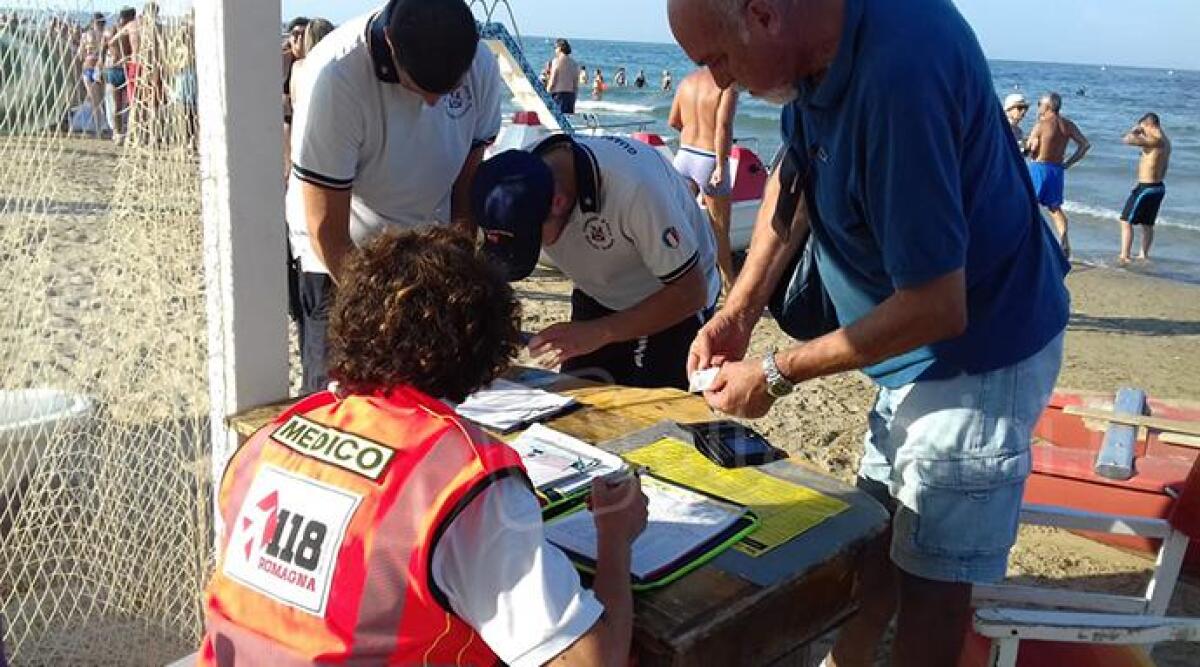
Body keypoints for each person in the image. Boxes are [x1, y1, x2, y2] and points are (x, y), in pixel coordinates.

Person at [668, 1, 1070, 666]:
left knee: (932, 580)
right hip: (903, 349)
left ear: (764, 15)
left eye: (718, 59)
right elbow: (791, 180)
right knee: (881, 533)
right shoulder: (813, 55)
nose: (721, 82)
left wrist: (775, 374)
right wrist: (737, 311)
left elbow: (940, 306)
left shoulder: (901, 74)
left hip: (980, 352)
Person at [198, 227, 648, 666]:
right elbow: (590, 660)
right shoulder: (464, 480)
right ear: (483, 347)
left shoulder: (265, 443)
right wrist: (614, 537)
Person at [287, 0, 503, 395]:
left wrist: (457, 265)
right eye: (420, 88)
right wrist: (379, 311)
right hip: (341, 245)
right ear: (390, 43)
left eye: (447, 90)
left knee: (431, 391)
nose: (434, 103)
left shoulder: (480, 66)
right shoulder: (337, 76)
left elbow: (466, 185)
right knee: (340, 390)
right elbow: (325, 227)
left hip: (424, 245)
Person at [472, 135, 722, 390]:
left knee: (660, 414)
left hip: (671, 297)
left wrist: (600, 332)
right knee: (576, 401)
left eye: (533, 239)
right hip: (598, 289)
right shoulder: (515, 177)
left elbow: (692, 292)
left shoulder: (634, 189)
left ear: (559, 202)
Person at [670, 67, 739, 293]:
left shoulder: (686, 82)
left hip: (684, 155)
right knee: (719, 230)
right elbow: (723, 126)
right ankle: (729, 287)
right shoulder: (727, 83)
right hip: (710, 158)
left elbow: (674, 121)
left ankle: (678, 279)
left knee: (680, 224)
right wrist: (721, 164)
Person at [1026, 92, 1091, 259]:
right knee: (1055, 208)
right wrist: (1068, 163)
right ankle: (1064, 242)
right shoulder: (1067, 124)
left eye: (1039, 103)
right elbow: (1085, 145)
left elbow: (1031, 149)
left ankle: (1030, 243)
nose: (1038, 106)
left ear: (1047, 106)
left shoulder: (1041, 124)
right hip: (1056, 170)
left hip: (1039, 168)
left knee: (1028, 206)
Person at [1118, 113, 1171, 263]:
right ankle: (1143, 255)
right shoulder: (1166, 141)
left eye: (1143, 128)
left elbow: (1126, 139)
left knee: (1125, 221)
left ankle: (1125, 255)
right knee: (1147, 223)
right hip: (1157, 187)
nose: (1142, 132)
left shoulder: (1155, 140)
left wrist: (1135, 130)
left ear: (1149, 125)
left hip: (1147, 187)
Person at [103, 8, 136, 146]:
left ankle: (121, 133)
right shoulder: (129, 29)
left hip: (119, 68)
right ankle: (119, 133)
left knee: (126, 105)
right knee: (121, 105)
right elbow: (103, 48)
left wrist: (102, 63)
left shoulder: (111, 30)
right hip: (119, 69)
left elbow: (102, 49)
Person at [76, 13, 107, 136]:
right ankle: (101, 125)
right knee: (100, 99)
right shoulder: (105, 35)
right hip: (99, 68)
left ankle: (99, 126)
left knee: (94, 99)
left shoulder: (85, 36)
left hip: (89, 67)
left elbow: (80, 54)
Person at [547, 38, 580, 114]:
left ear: (560, 48)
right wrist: (574, 99)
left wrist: (546, 93)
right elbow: (575, 85)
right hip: (570, 96)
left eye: (555, 48)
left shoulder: (556, 61)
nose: (555, 50)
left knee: (555, 121)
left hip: (558, 95)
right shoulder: (574, 63)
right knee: (566, 122)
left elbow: (552, 81)